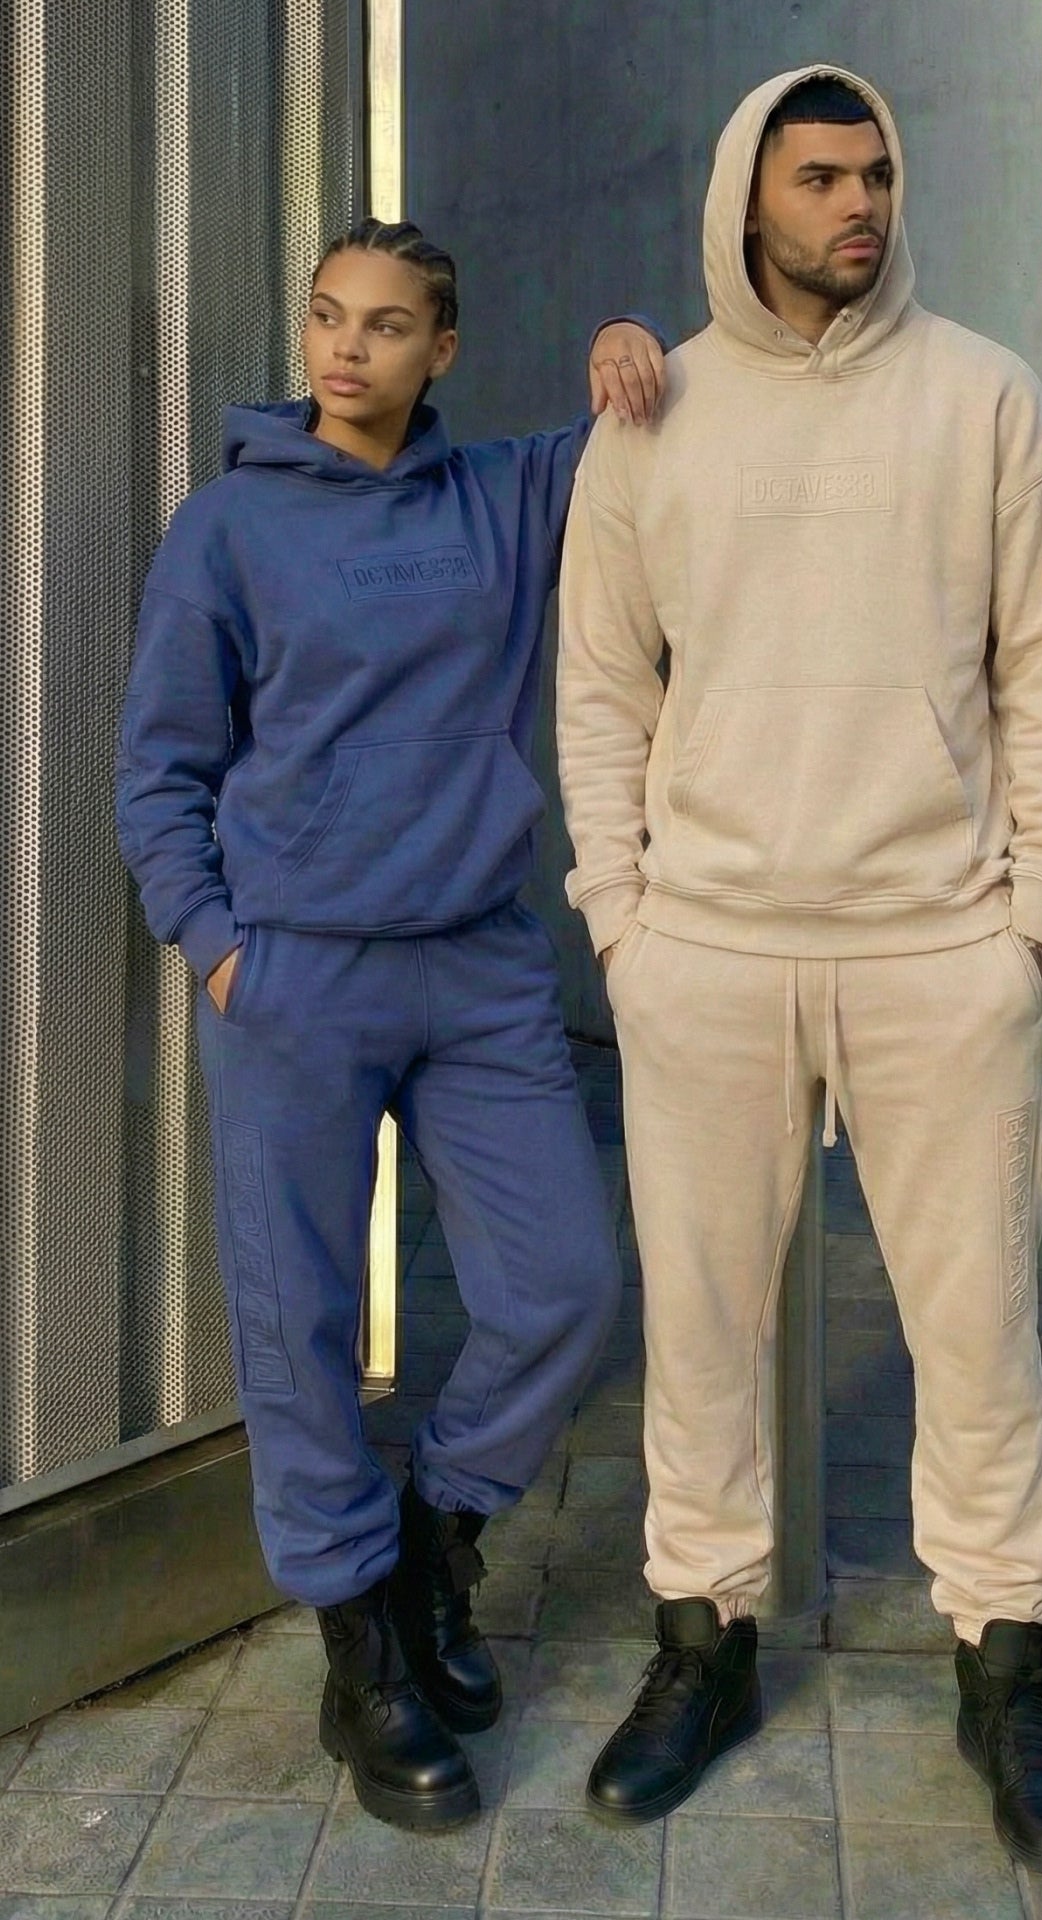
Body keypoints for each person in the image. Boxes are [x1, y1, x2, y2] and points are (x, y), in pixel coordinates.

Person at [556, 67, 1042, 1875]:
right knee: (701, 1329)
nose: (856, 203)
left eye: (873, 174)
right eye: (817, 179)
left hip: (939, 947)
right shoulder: (655, 414)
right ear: (748, 198)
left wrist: (1033, 920)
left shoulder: (987, 396)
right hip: (708, 949)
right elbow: (601, 684)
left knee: (980, 1329)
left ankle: (1004, 1667)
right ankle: (701, 1646)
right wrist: (624, 923)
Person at [116, 217, 665, 1832]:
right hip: (295, 974)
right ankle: (361, 1643)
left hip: (480, 964)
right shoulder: (228, 527)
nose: (347, 348)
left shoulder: (502, 495)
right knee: (296, 1325)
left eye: (386, 325)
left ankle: (436, 1536)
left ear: (442, 349)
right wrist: (218, 946)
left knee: (563, 1282)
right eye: (327, 317)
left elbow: (663, 426)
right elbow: (161, 763)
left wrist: (631, 336)